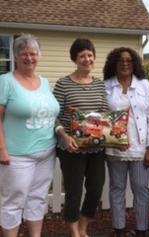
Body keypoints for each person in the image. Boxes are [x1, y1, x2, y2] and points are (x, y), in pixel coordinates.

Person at [0, 34, 60, 237]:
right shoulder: (5, 82)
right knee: (13, 202)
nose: (29, 58)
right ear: (16, 57)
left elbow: (49, 113)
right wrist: (2, 150)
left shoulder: (44, 82)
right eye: (24, 54)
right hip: (17, 155)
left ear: (39, 56)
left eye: (33, 53)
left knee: (38, 199)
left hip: (46, 152)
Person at [53, 38, 108, 237]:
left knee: (95, 189)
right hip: (71, 148)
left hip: (96, 149)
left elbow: (105, 116)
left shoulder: (100, 86)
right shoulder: (63, 84)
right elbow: (54, 115)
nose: (87, 59)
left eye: (90, 55)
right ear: (75, 59)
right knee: (74, 193)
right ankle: (74, 232)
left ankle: (84, 227)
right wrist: (64, 136)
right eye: (82, 56)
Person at [103, 47, 149, 237]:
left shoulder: (144, 85)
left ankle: (141, 230)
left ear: (134, 63)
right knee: (117, 189)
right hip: (115, 149)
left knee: (141, 191)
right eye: (120, 60)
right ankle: (119, 229)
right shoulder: (107, 86)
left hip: (140, 149)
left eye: (128, 60)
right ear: (114, 64)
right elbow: (101, 117)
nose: (125, 63)